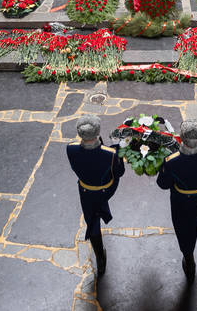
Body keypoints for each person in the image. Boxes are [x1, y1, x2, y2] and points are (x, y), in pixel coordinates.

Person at [157, 120, 197, 282]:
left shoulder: (172, 161)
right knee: (193, 216)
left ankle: (189, 258)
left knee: (184, 227)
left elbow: (163, 184)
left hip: (182, 200)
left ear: (181, 138)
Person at [66, 115, 125, 277]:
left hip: (86, 191)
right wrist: (118, 152)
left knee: (91, 221)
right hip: (107, 189)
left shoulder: (70, 148)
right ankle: (101, 210)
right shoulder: (111, 154)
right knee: (98, 207)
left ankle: (100, 258)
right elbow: (119, 172)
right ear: (98, 133)